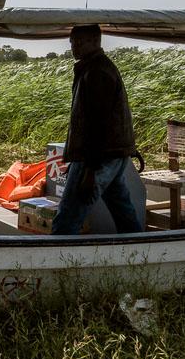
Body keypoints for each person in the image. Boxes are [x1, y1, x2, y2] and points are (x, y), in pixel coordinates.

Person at [52, 25, 142, 235]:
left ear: (95, 41)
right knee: (123, 212)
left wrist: (89, 171)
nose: (74, 47)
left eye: (79, 42)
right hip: (111, 155)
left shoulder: (96, 72)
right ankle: (140, 251)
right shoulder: (94, 68)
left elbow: (97, 125)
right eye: (72, 42)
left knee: (68, 217)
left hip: (98, 157)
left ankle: (59, 262)